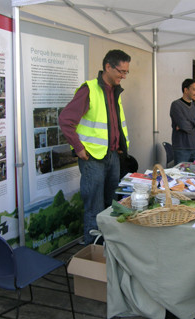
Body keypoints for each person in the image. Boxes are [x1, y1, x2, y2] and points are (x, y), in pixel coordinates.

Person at [59, 49, 131, 245]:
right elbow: (65, 120)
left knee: (111, 206)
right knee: (94, 208)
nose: (123, 76)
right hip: (93, 159)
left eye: (126, 72)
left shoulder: (115, 91)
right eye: (121, 71)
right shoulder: (89, 89)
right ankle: (93, 252)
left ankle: (108, 247)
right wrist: (79, 149)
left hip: (112, 157)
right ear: (108, 67)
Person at [170, 79, 195, 165]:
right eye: (194, 89)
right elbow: (184, 125)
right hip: (181, 149)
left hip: (194, 148)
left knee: (193, 176)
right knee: (181, 176)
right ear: (185, 90)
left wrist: (190, 123)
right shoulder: (176, 105)